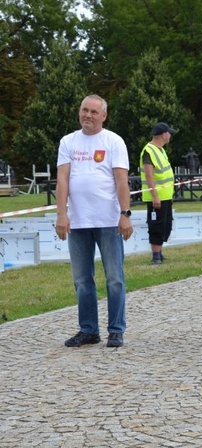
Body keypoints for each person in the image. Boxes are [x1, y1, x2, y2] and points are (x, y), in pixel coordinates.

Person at [56, 95, 133, 348]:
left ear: (103, 115)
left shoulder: (114, 141)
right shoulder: (68, 141)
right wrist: (61, 214)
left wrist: (125, 214)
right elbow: (63, 180)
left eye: (93, 112)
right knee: (81, 279)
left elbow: (122, 180)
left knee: (114, 278)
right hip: (78, 221)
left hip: (108, 220)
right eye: (84, 110)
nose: (87, 115)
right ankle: (88, 330)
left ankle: (116, 329)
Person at [140, 122, 176, 265]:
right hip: (157, 197)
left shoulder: (160, 150)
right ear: (164, 134)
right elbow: (149, 176)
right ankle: (156, 256)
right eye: (169, 133)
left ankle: (160, 253)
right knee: (156, 226)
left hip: (166, 195)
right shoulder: (149, 150)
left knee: (165, 225)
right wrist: (155, 196)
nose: (170, 135)